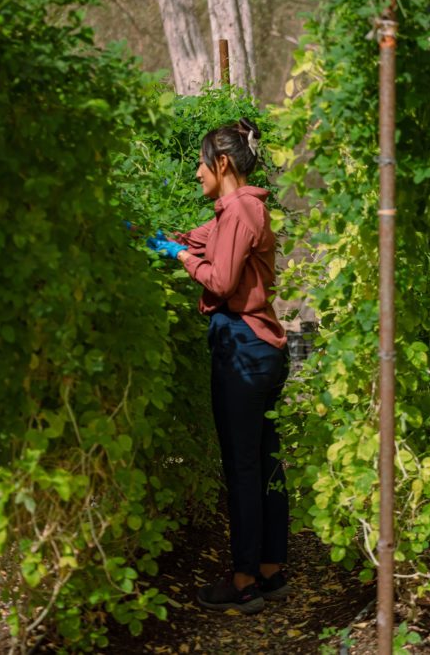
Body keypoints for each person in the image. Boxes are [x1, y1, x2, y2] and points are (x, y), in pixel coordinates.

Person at [147, 118, 290, 614]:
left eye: (201, 163)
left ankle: (244, 580)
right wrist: (160, 238)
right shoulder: (240, 209)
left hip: (243, 346)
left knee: (243, 465)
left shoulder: (241, 211)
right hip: (262, 346)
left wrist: (180, 257)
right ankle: (270, 569)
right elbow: (198, 239)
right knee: (265, 460)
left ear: (222, 162)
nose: (196, 173)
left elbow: (221, 281)